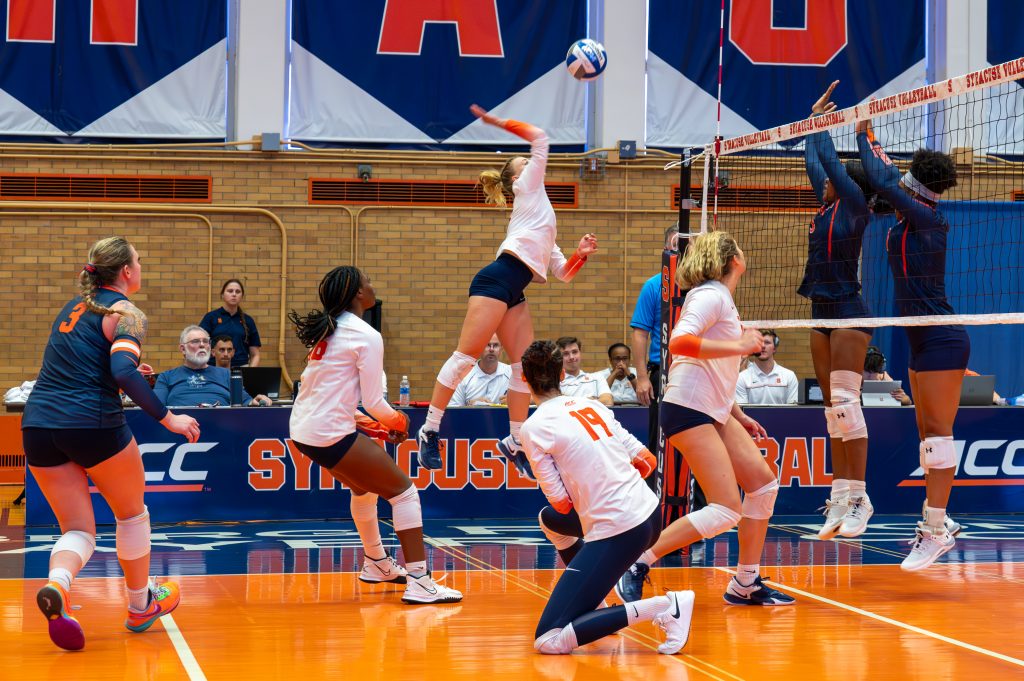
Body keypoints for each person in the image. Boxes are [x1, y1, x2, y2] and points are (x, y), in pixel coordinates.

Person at [21, 237, 200, 651]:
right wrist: (168, 417)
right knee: (132, 516)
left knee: (78, 529)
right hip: (92, 423)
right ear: (125, 272)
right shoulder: (127, 312)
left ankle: (58, 586)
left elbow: (92, 366)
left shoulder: (73, 307)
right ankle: (140, 605)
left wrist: (131, 370)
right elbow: (122, 369)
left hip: (38, 425)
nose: (140, 265)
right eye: (139, 259)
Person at [615, 231, 795, 607]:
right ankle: (635, 564)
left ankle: (745, 582)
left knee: (763, 486)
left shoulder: (722, 298)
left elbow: (713, 371)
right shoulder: (710, 294)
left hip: (713, 407)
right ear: (734, 261)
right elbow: (680, 342)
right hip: (688, 408)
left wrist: (738, 414)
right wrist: (741, 345)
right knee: (727, 508)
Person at [416, 104, 598, 473]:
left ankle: (515, 441)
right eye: (524, 162)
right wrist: (497, 122)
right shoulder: (527, 187)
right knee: (465, 357)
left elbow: (563, 273)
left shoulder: (544, 218)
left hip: (515, 289)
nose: (530, 165)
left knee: (520, 369)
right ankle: (430, 430)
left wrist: (580, 255)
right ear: (517, 178)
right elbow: (541, 139)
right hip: (496, 279)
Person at [288, 265, 462, 603]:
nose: (373, 285)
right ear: (357, 293)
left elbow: (336, 399)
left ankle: (377, 563)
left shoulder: (329, 330)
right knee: (404, 493)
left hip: (304, 430)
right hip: (326, 431)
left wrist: (376, 426)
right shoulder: (364, 334)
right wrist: (399, 422)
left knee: (364, 490)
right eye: (368, 281)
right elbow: (374, 402)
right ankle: (420, 582)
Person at [519, 340, 694, 656]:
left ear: (523, 379)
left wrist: (597, 492)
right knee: (549, 520)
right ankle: (596, 601)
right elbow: (646, 461)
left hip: (619, 528)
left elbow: (562, 502)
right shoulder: (593, 405)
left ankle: (667, 605)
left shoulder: (533, 428)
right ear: (561, 372)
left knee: (549, 640)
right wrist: (611, 481)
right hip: (649, 513)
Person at [858, 115, 965, 571]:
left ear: (918, 186)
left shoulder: (928, 219)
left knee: (939, 438)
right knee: (927, 438)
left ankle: (936, 529)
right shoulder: (904, 216)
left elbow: (883, 177)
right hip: (919, 341)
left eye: (908, 177)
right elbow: (876, 180)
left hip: (941, 337)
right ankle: (940, 520)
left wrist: (864, 132)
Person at [801, 82, 879, 541]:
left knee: (849, 404)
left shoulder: (854, 209)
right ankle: (841, 492)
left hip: (849, 310)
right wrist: (814, 121)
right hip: (821, 310)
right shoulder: (826, 205)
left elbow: (828, 162)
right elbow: (818, 161)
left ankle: (861, 497)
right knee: (831, 408)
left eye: (831, 179)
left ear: (849, 186)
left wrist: (830, 128)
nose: (822, 181)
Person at [630, 223, 681, 453]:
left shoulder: (705, 285)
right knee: (659, 439)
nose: (682, 250)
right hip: (662, 372)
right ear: (666, 249)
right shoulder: (653, 286)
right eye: (676, 245)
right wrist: (642, 377)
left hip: (695, 371)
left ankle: (700, 491)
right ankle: (654, 490)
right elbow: (640, 333)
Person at [154, 326, 272, 407]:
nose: (202, 345)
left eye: (205, 341)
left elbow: (246, 401)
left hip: (223, 426)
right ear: (182, 349)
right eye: (195, 341)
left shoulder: (226, 374)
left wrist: (255, 401)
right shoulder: (166, 377)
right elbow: (155, 408)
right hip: (179, 429)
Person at [199, 279, 262, 367]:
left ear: (242, 296)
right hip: (214, 367)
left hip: (241, 368)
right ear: (222, 295)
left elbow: (255, 354)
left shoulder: (248, 320)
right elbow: (199, 346)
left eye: (238, 291)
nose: (234, 294)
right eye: (230, 291)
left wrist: (249, 374)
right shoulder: (211, 317)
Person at [734, 330, 799, 405]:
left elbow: (793, 411)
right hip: (751, 417)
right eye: (759, 343)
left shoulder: (789, 376)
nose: (763, 346)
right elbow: (743, 411)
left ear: (774, 348)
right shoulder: (742, 378)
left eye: (767, 342)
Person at [448, 335, 511, 407]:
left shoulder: (512, 373)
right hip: (471, 418)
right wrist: (469, 405)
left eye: (496, 345)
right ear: (480, 348)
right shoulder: (463, 375)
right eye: (487, 345)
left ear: (501, 349)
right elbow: (452, 410)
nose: (491, 349)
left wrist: (515, 401)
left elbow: (525, 406)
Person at [557, 337, 613, 406]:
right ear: (559, 357)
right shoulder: (554, 382)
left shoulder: (597, 378)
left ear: (580, 353)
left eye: (574, 352)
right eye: (565, 354)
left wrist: (568, 400)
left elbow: (608, 402)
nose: (571, 357)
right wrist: (591, 400)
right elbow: (556, 406)